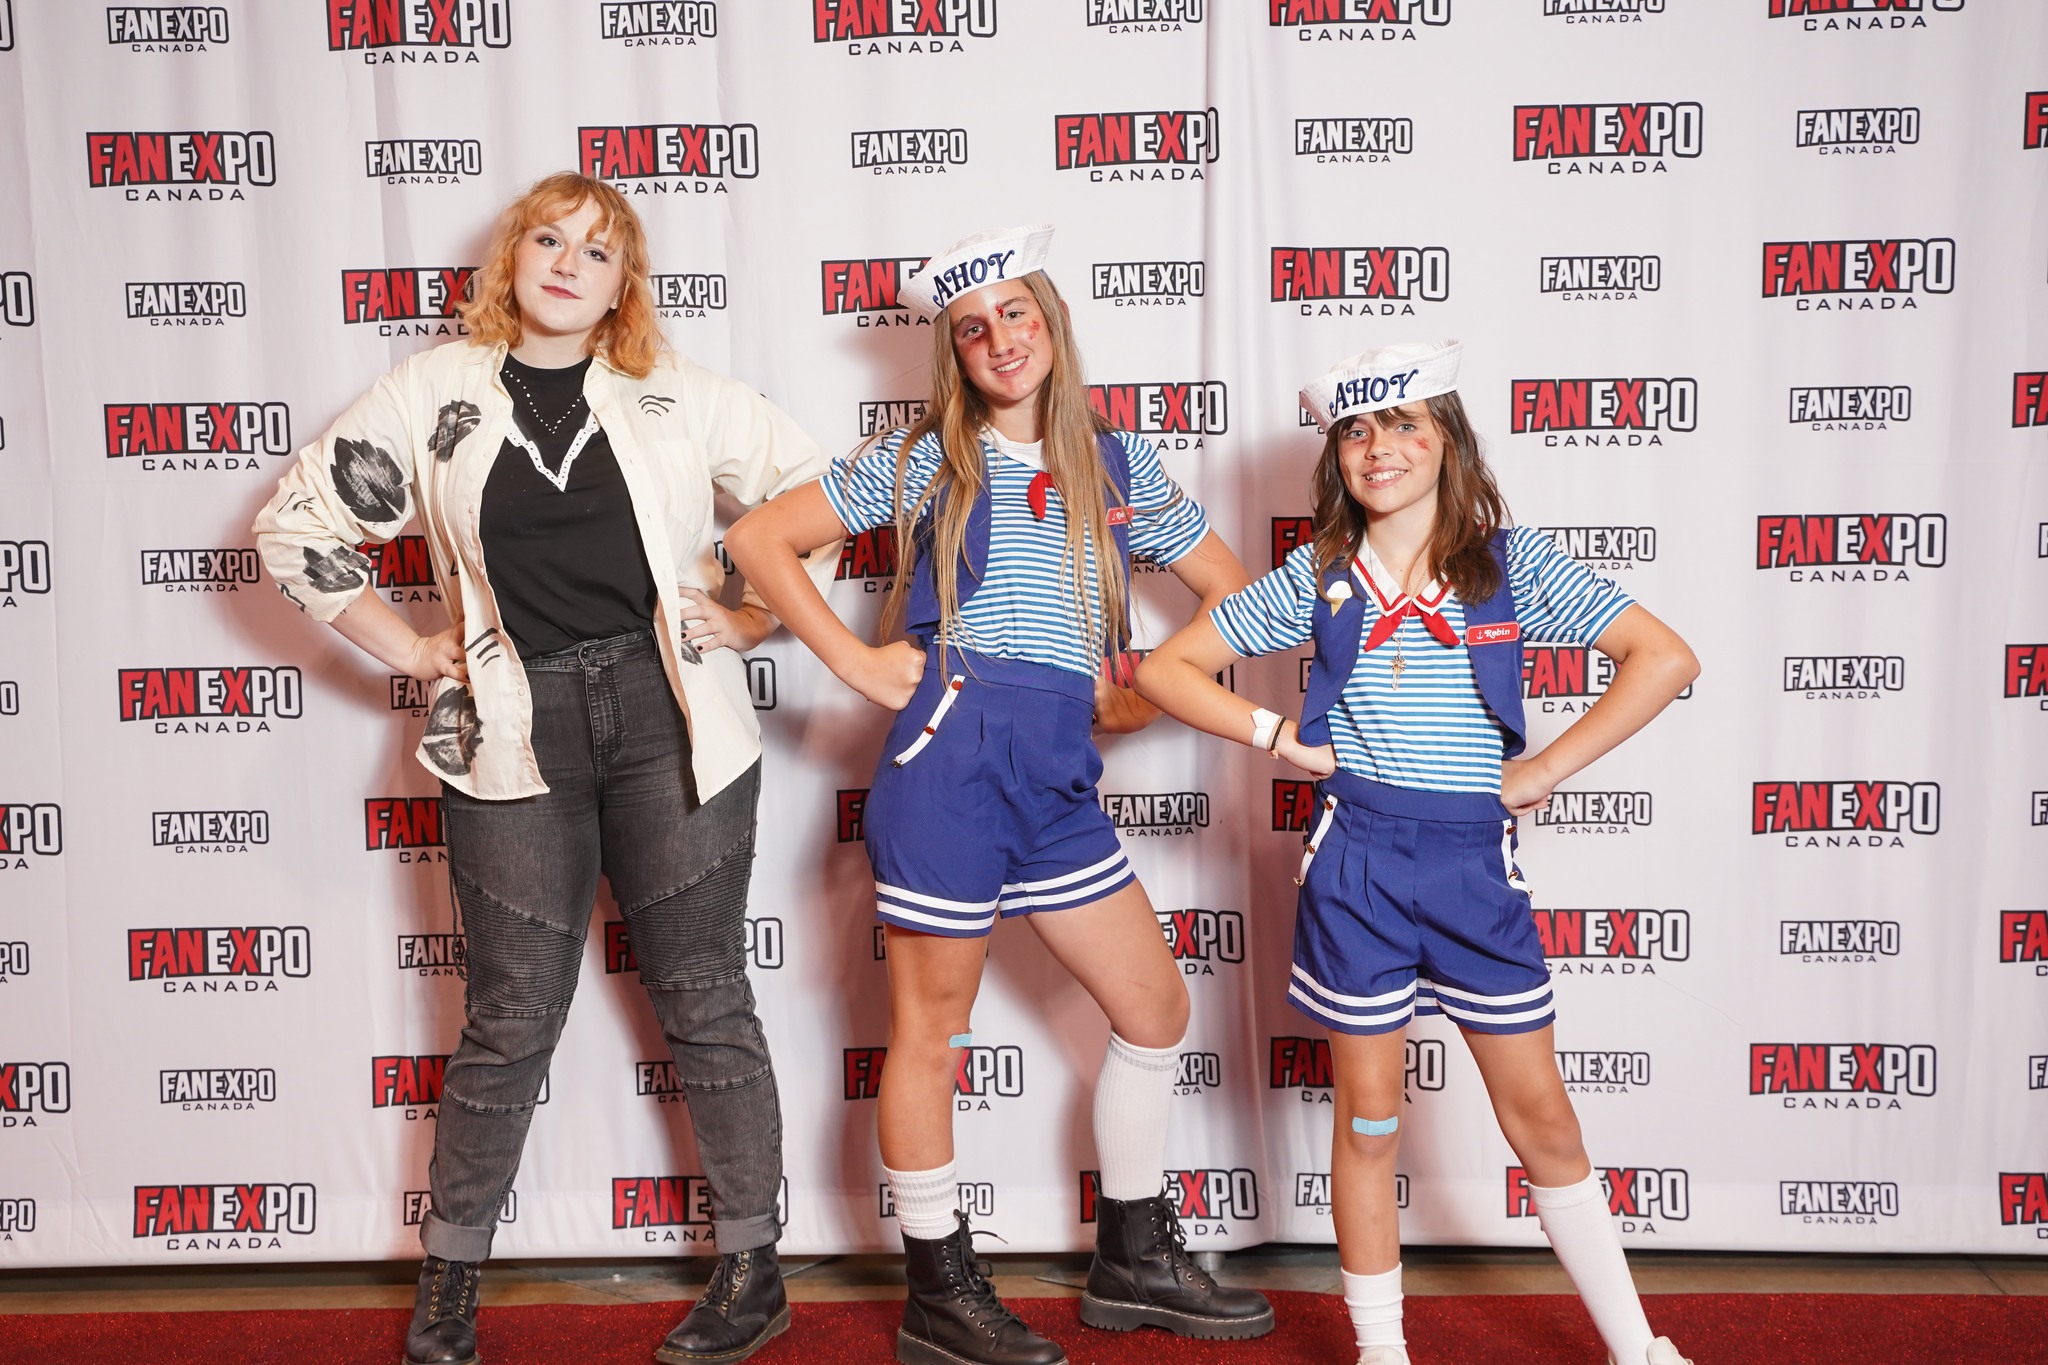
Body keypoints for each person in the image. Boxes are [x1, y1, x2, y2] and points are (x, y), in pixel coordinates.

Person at [253, 172, 838, 1365]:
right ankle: (452, 1278)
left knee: (707, 1000)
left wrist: (754, 619)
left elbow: (818, 503)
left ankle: (751, 1270)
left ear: (626, 283)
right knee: (511, 1016)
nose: (570, 262)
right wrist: (413, 647)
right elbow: (295, 525)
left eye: (601, 250)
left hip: (673, 722)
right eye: (550, 238)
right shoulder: (433, 392)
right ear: (512, 256)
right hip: (512, 730)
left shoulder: (673, 394)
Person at [725, 225, 1272, 1365]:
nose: (998, 338)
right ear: (954, 353)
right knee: (929, 1031)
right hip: (951, 757)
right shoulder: (928, 453)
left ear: (1051, 321)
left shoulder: (1115, 462)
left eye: (1015, 313)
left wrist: (1149, 685)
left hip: (1058, 767)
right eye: (972, 327)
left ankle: (1129, 1255)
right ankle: (938, 1287)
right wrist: (862, 664)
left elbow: (1229, 590)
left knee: (1154, 1009)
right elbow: (761, 537)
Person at [1132, 341, 1700, 1365]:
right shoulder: (1317, 575)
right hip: (1356, 865)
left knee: (1544, 1125)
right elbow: (1171, 667)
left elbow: (1661, 658)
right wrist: (1276, 739)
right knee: (1368, 1123)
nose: (1376, 446)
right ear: (1335, 456)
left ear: (1447, 442)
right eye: (1355, 428)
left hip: (1470, 867)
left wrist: (1535, 773)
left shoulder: (1509, 563)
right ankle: (1381, 1355)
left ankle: (1636, 1348)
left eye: (1402, 424)